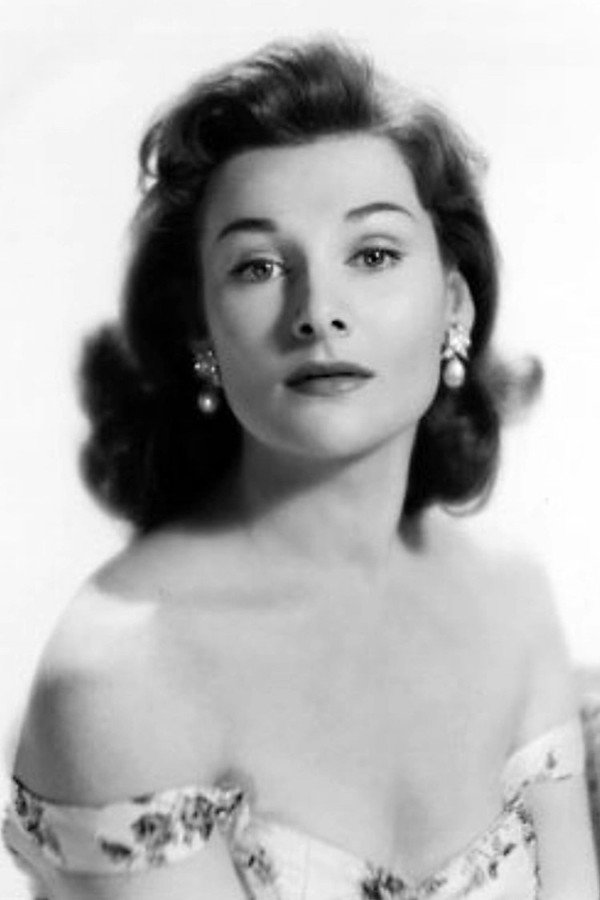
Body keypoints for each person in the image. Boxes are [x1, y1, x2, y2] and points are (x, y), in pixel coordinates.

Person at [3, 37, 598, 900]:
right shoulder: (125, 674)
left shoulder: (511, 596)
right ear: (203, 333)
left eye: (373, 255)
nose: (318, 311)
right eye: (259, 267)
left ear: (455, 306)